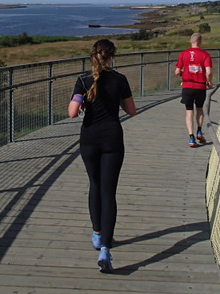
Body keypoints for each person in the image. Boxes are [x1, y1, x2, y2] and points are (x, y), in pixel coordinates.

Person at [68, 39, 137, 273]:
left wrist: (84, 103)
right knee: (109, 192)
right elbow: (132, 110)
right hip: (112, 139)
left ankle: (97, 234)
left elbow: (71, 112)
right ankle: (106, 249)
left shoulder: (83, 81)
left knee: (94, 185)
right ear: (111, 57)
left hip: (89, 140)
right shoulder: (120, 80)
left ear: (93, 56)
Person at [174, 33, 213, 147]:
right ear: (200, 42)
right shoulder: (205, 55)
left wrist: (182, 72)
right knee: (199, 108)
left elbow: (177, 71)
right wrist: (209, 81)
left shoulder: (184, 54)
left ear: (190, 41)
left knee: (189, 111)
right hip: (200, 86)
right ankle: (199, 131)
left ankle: (191, 137)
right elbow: (209, 72)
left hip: (187, 86)